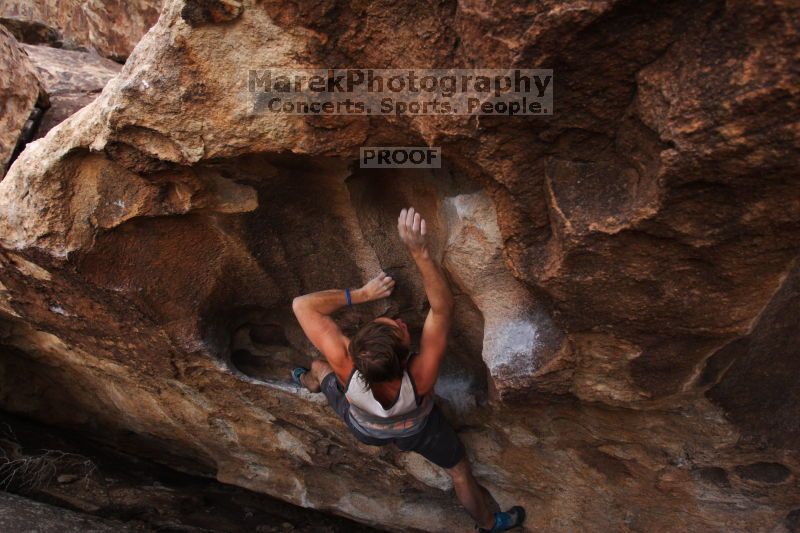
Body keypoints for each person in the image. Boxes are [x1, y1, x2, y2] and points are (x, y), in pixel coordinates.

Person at [291, 206, 525, 532]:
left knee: (319, 366)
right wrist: (421, 253)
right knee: (459, 471)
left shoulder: (345, 365)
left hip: (364, 427)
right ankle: (489, 523)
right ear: (406, 358)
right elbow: (443, 308)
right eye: (399, 327)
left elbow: (302, 305)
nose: (401, 322)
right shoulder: (420, 377)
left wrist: (361, 294)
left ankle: (310, 381)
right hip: (417, 430)